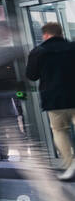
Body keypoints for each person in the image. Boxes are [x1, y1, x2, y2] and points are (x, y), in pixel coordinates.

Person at [26, 22, 75, 180]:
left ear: (45, 35)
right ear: (60, 33)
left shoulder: (38, 51)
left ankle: (69, 165)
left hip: (54, 100)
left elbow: (31, 76)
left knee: (60, 131)